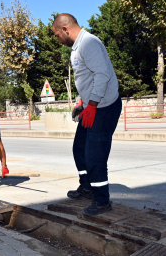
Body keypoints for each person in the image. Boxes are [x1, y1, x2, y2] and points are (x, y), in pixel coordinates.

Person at [52, 13, 122, 215]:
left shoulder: (88, 43)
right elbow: (89, 77)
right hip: (92, 105)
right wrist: (83, 101)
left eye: (57, 35)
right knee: (80, 148)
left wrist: (91, 105)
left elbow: (102, 75)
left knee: (95, 155)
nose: (58, 40)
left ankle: (102, 201)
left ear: (65, 29)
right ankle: (87, 187)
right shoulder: (78, 46)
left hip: (104, 107)